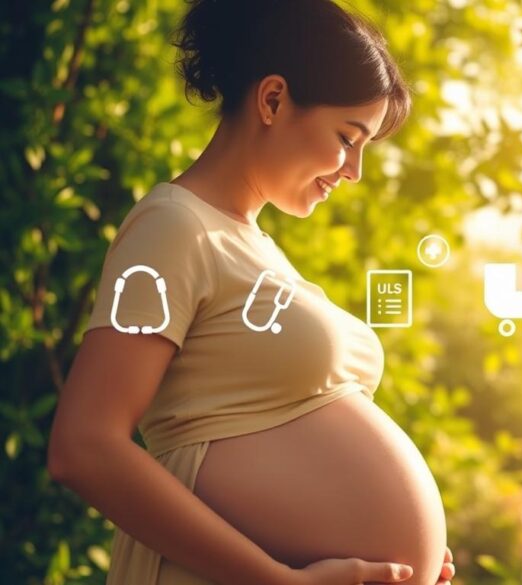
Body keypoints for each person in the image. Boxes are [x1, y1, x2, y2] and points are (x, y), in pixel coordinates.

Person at [47, 1, 456, 583]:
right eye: (348, 137)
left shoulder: (257, 248)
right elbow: (84, 446)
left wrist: (409, 553)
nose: (354, 171)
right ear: (272, 100)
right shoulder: (173, 227)